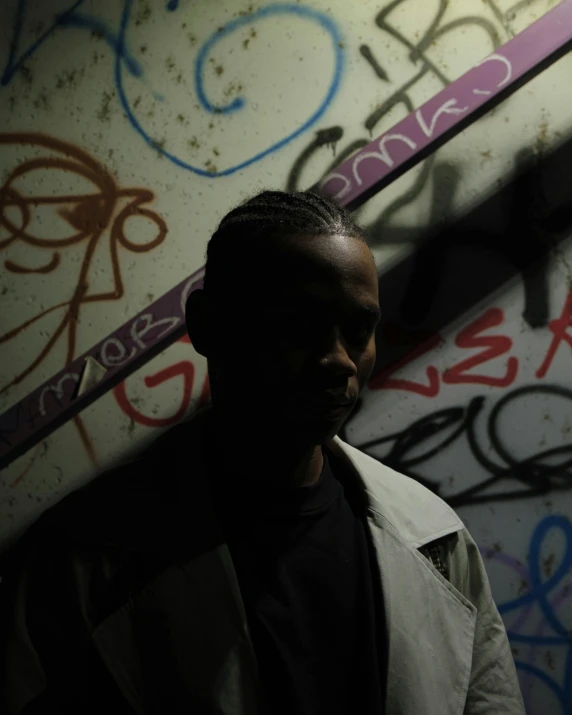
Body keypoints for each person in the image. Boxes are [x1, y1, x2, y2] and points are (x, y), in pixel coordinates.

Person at [0, 190, 525, 714]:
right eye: (298, 323)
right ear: (207, 324)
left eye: (359, 329)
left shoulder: (435, 538)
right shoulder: (80, 558)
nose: (339, 360)